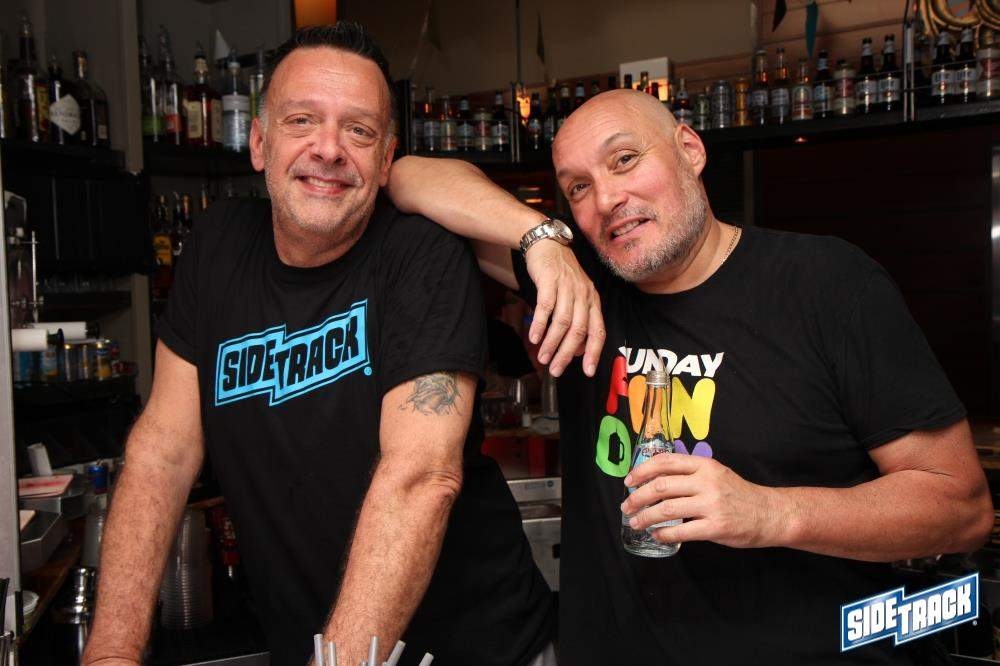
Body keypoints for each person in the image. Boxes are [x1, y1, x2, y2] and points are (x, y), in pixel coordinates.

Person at [385, 88, 995, 664]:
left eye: (625, 160)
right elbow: (408, 176)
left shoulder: (828, 285)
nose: (606, 199)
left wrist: (768, 512)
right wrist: (538, 239)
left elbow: (960, 507)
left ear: (690, 150)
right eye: (578, 187)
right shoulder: (579, 282)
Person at [81, 23, 596, 666]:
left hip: (481, 649)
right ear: (260, 142)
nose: (328, 149)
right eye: (302, 120)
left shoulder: (420, 251)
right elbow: (163, 452)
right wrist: (110, 653)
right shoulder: (216, 249)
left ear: (385, 162)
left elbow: (420, 477)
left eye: (358, 130)